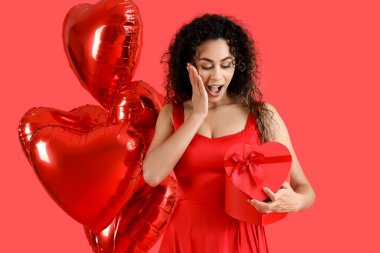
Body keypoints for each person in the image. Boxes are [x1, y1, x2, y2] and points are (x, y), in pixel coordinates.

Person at [143, 14, 315, 253]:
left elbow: (306, 190)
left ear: (238, 64)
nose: (217, 76)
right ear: (189, 66)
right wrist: (196, 117)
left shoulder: (261, 115)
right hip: (187, 236)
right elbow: (152, 175)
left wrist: (295, 202)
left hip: (241, 237)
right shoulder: (173, 114)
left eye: (226, 65)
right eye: (206, 66)